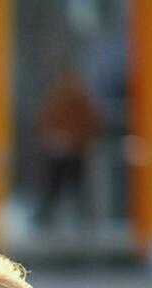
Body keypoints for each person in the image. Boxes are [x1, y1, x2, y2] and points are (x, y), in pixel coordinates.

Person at [33, 68, 104, 233]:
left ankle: (84, 221)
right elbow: (46, 122)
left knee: (76, 186)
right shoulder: (57, 100)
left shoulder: (79, 102)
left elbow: (91, 124)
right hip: (58, 152)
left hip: (75, 151)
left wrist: (78, 141)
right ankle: (46, 218)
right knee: (54, 186)